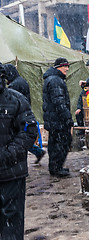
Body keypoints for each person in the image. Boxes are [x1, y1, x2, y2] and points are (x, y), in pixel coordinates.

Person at [0, 64, 37, 240]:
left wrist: (7, 154)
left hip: (11, 174)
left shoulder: (15, 99)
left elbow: (29, 130)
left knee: (11, 223)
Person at [3, 64, 46, 163]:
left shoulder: (14, 85)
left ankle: (37, 152)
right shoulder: (21, 81)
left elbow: (12, 102)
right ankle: (38, 152)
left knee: (18, 138)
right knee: (22, 137)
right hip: (24, 113)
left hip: (18, 116)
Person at [43, 57, 73, 177]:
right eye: (64, 66)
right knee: (61, 144)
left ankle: (55, 167)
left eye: (67, 66)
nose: (67, 69)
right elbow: (59, 102)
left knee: (55, 144)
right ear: (58, 67)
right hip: (58, 120)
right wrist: (68, 118)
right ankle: (56, 168)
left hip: (53, 120)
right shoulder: (56, 80)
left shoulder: (52, 79)